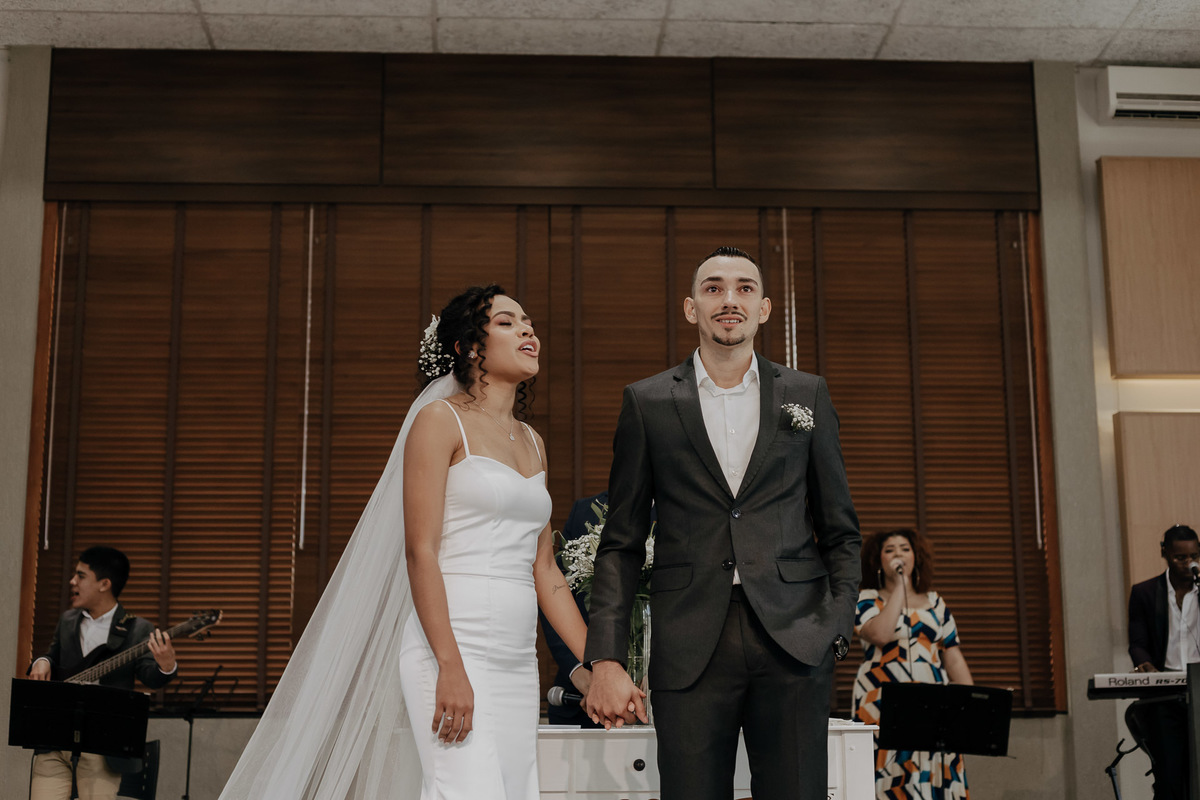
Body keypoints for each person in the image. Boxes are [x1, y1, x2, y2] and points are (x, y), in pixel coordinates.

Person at [220, 285, 588, 800]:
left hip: (516, 659)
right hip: (451, 648)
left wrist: (595, 666)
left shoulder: (533, 441)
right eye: (507, 322)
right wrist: (450, 665)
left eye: (528, 321)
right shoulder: (439, 421)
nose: (528, 330)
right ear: (467, 346)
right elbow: (421, 551)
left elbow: (545, 571)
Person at [584, 246, 862, 800]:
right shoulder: (648, 402)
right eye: (713, 288)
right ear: (691, 308)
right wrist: (606, 658)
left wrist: (834, 625)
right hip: (690, 643)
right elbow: (621, 543)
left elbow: (840, 530)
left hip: (794, 640)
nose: (728, 299)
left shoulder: (807, 394)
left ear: (763, 308)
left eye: (743, 288)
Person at [27, 545, 177, 800]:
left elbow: (151, 676)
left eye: (81, 575)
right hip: (55, 739)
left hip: (103, 745)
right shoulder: (68, 620)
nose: (72, 581)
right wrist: (42, 661)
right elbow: (53, 656)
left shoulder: (137, 629)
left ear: (104, 584)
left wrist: (167, 664)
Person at [852, 528, 973, 800]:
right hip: (880, 700)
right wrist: (900, 588)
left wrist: (969, 710)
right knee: (892, 774)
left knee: (934, 771)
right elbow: (881, 635)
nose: (899, 554)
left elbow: (952, 658)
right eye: (890, 549)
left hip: (933, 701)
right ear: (877, 560)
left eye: (905, 549)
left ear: (916, 557)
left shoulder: (935, 602)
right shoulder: (866, 599)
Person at [1126, 523, 1198, 800]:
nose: (1188, 564)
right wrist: (1145, 664)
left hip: (1199, 689)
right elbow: (1138, 643)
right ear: (1165, 553)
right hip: (1165, 694)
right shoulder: (1145, 593)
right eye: (1181, 558)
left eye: (1194, 557)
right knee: (1169, 775)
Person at [538, 492, 606, 728]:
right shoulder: (585, 511)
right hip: (580, 693)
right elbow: (556, 590)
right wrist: (577, 670)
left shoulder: (686, 511)